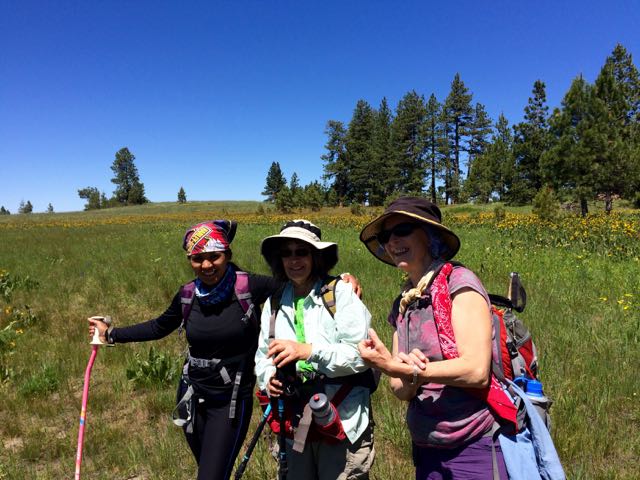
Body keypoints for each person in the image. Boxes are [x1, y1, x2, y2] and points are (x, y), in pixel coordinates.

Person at [87, 219, 361, 480]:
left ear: (227, 255)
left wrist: (344, 279)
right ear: (190, 261)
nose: (207, 265)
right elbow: (159, 326)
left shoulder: (249, 286)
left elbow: (302, 279)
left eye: (214, 256)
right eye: (197, 258)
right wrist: (111, 334)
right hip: (192, 394)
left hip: (229, 401)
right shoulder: (187, 294)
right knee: (207, 468)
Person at [357, 197, 509, 480]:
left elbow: (476, 372)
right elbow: (399, 389)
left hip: (474, 446)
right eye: (385, 236)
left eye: (401, 230)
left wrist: (410, 370)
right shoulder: (403, 303)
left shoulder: (459, 284)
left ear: (429, 236)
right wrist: (400, 371)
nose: (392, 242)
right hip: (427, 448)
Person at [254, 219, 375, 480]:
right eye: (286, 253)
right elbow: (263, 355)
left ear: (316, 256)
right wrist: (268, 379)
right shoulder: (274, 302)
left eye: (302, 252)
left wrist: (308, 351)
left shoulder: (339, 293)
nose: (293, 260)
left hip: (342, 417)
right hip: (293, 418)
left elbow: (361, 355)